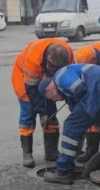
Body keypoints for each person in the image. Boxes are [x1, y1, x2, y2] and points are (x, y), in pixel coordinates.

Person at [40, 63, 100, 185]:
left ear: (48, 90)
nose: (57, 101)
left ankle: (63, 172)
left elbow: (79, 88)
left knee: (70, 126)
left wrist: (83, 111)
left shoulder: (59, 76)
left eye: (51, 98)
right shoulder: (68, 82)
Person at [11, 39, 73, 168]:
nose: (55, 69)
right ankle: (27, 154)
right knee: (28, 116)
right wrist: (42, 112)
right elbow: (32, 90)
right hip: (26, 84)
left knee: (51, 118)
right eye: (53, 67)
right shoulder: (32, 59)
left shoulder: (67, 52)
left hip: (48, 82)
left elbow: (71, 76)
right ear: (47, 58)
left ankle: (51, 153)